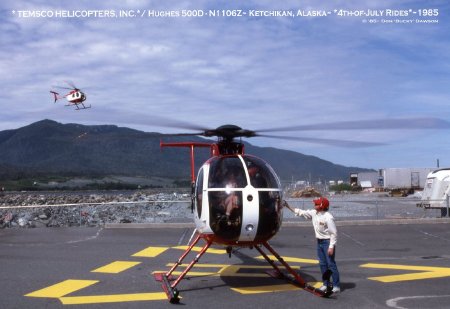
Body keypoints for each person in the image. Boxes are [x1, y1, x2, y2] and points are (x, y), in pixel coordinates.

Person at [294, 197, 341, 293]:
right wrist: (288, 206)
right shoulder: (314, 213)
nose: (314, 205)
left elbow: (334, 233)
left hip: (327, 242)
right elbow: (302, 212)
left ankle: (336, 286)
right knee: (323, 264)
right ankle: (326, 284)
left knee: (331, 264)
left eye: (316, 204)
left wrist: (331, 246)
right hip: (319, 242)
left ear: (321, 206)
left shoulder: (328, 217)